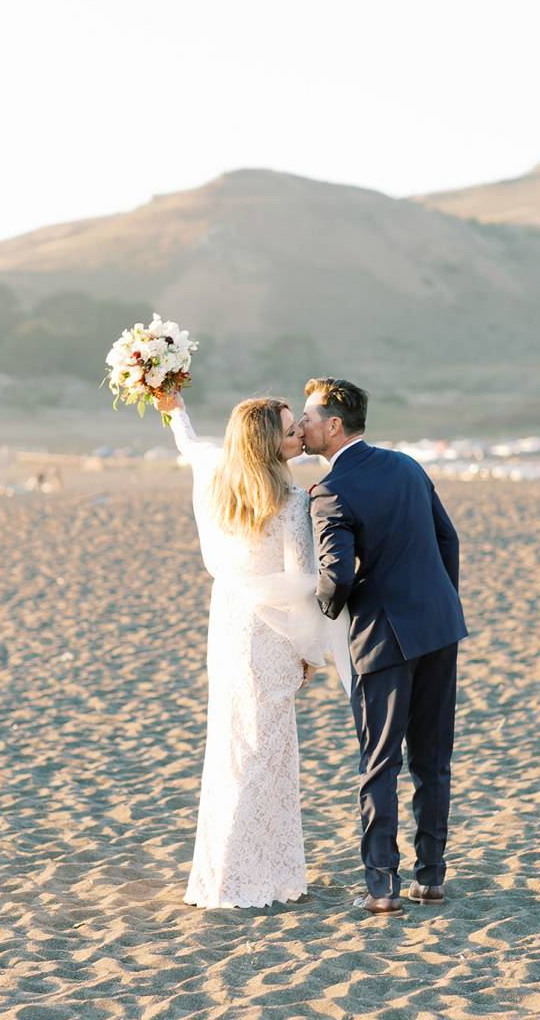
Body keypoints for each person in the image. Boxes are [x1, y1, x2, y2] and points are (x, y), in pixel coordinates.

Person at [154, 389, 344, 909]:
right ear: (266, 445)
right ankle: (248, 876)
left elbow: (192, 447)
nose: (298, 434)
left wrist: (175, 409)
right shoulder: (290, 503)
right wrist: (311, 651)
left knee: (234, 747)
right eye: (289, 431)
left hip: (230, 626)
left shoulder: (221, 481)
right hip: (270, 636)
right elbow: (303, 583)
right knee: (265, 753)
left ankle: (227, 871)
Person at [300, 378, 468, 915]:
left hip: (383, 636)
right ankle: (431, 877)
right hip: (440, 627)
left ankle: (380, 887)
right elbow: (449, 540)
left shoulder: (329, 491)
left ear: (333, 425)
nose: (301, 426)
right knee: (432, 757)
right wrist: (439, 601)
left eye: (307, 417)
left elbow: (339, 575)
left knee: (379, 762)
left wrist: (324, 614)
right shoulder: (408, 466)